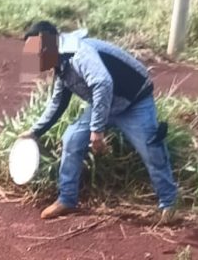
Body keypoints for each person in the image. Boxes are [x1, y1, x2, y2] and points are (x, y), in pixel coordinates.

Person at [18, 21, 177, 223]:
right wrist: (34, 132)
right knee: (72, 139)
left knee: (150, 147)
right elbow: (58, 102)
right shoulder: (61, 64)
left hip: (134, 100)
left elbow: (102, 83)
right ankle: (67, 199)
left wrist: (97, 129)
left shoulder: (79, 54)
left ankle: (169, 204)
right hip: (105, 103)